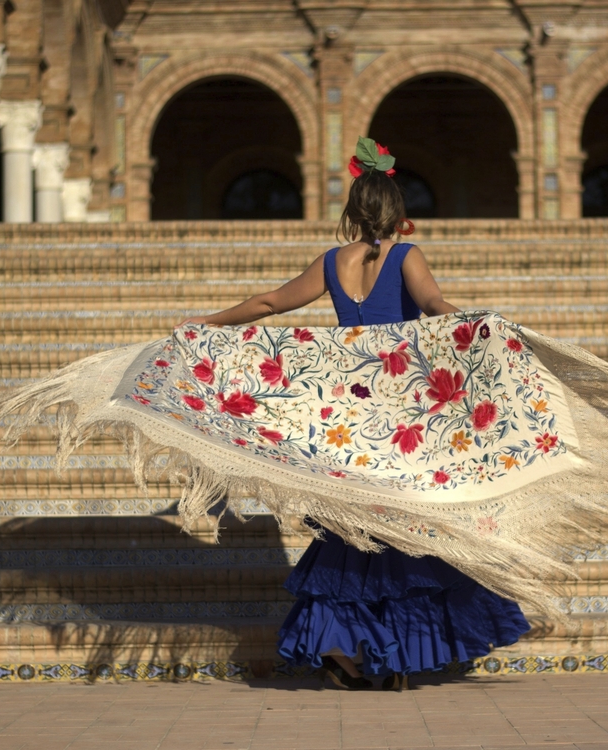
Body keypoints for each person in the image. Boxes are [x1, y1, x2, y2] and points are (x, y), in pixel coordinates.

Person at [181, 138, 530, 690]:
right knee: (406, 528)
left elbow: (271, 304)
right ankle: (389, 652)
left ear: (353, 212)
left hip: (348, 414)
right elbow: (436, 306)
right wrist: (480, 326)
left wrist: (209, 322)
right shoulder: (406, 257)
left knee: (351, 533)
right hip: (403, 416)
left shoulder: (331, 262)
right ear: (397, 213)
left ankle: (346, 648)